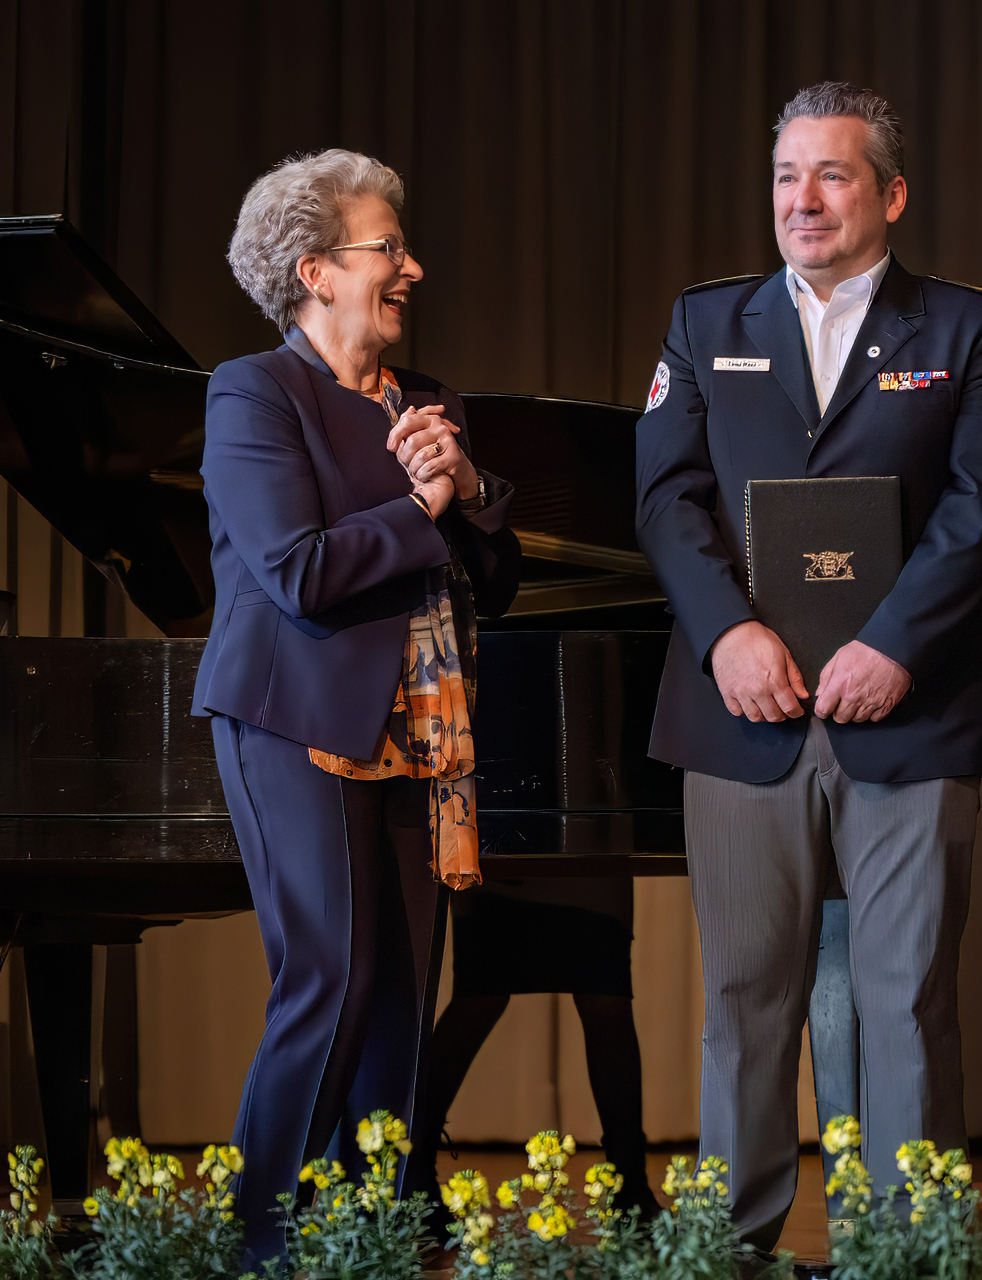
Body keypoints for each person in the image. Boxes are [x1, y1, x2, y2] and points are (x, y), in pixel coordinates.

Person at [634, 81, 982, 1250]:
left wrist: (892, 644)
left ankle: (903, 1249)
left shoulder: (967, 328)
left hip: (909, 712)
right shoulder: (705, 325)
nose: (801, 200)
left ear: (890, 194)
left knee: (904, 999)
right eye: (783, 176)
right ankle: (737, 1245)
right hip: (739, 713)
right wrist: (727, 634)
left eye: (832, 174)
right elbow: (666, 499)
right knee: (741, 999)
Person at [194, 148, 519, 1266]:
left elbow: (501, 576)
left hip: (419, 729)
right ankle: (254, 1236)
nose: (412, 267)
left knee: (395, 999)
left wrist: (470, 490)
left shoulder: (430, 403)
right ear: (316, 268)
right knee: (330, 977)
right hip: (294, 717)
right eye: (389, 248)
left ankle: (365, 1225)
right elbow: (298, 570)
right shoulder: (252, 391)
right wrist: (427, 495)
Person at [407, 879, 663, 1223]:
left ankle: (630, 1186)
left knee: (607, 994)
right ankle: (413, 1174)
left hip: (590, 850)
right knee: (480, 992)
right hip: (500, 843)